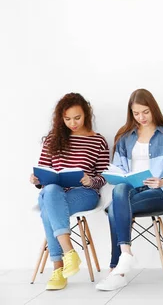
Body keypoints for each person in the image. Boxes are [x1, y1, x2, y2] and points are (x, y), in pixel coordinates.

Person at [95, 89, 163, 291]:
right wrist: (119, 176)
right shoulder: (125, 137)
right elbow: (118, 170)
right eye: (136, 113)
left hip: (160, 193)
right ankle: (125, 253)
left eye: (145, 112)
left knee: (116, 208)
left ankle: (117, 268)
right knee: (120, 190)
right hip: (132, 190)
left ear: (154, 109)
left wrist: (162, 181)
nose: (141, 117)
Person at [30, 93, 109, 290]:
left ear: (86, 115)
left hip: (84, 193)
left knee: (50, 207)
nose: (72, 123)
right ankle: (69, 252)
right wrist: (36, 179)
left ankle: (58, 269)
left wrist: (90, 180)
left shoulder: (98, 141)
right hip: (53, 193)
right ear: (61, 118)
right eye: (67, 119)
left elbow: (105, 176)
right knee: (50, 193)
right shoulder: (52, 139)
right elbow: (44, 171)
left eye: (77, 117)